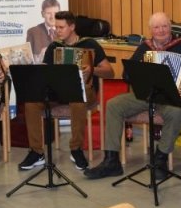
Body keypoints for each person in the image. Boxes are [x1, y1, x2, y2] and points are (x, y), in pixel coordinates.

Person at [85, 12, 181, 180]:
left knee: (176, 113)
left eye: (164, 26)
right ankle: (111, 161)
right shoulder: (145, 47)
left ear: (170, 28)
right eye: (156, 27)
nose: (161, 30)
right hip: (145, 95)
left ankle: (160, 159)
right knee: (113, 105)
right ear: (151, 30)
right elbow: (126, 74)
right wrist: (139, 72)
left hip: (170, 97)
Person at [19, 11, 114, 172]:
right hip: (58, 93)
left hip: (85, 91)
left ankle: (76, 149)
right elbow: (46, 73)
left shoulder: (90, 44)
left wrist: (92, 69)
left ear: (72, 27)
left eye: (61, 27)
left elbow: (110, 72)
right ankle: (36, 152)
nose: (57, 30)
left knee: (77, 99)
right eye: (56, 27)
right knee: (31, 103)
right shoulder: (54, 47)